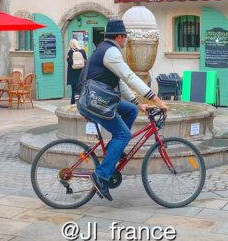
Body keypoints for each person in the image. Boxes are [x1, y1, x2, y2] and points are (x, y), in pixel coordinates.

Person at [77, 19, 168, 201]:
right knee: (123, 135)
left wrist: (137, 103)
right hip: (95, 102)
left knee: (131, 111)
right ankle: (101, 176)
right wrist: (156, 99)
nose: (126, 40)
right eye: (125, 36)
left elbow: (119, 81)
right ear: (119, 36)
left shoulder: (106, 48)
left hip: (99, 99)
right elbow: (129, 77)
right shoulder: (111, 52)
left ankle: (113, 149)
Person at [66, 39, 87, 104]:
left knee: (74, 90)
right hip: (81, 74)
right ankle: (81, 103)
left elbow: (69, 62)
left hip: (73, 74)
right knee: (81, 89)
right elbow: (86, 60)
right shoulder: (82, 51)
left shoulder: (70, 52)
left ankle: (73, 103)